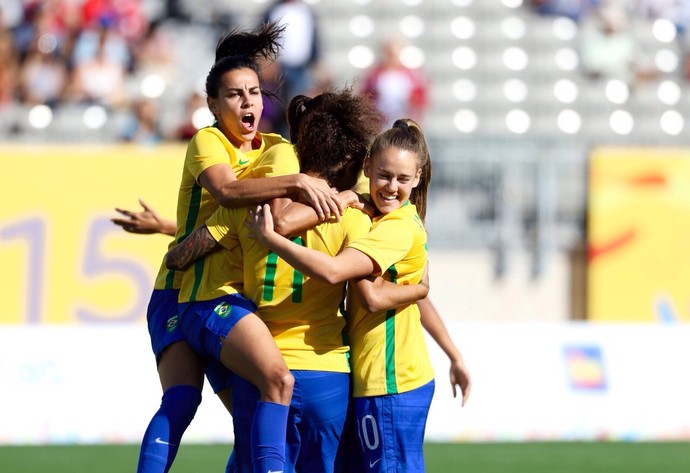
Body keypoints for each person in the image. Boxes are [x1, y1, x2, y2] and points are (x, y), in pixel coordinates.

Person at [163, 88, 428, 473]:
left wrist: (168, 232)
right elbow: (370, 281)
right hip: (328, 375)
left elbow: (182, 254)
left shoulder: (252, 210)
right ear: (355, 160)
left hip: (260, 370)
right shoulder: (359, 217)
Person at [134, 22, 343, 473]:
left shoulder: (273, 149)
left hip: (226, 295)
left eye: (253, 92)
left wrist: (169, 228)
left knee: (253, 418)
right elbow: (229, 197)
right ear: (212, 105)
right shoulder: (209, 141)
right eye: (234, 94)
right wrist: (300, 183)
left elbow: (232, 224)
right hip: (182, 291)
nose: (247, 101)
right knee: (186, 398)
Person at [247, 118, 471, 472]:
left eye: (402, 179)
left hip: (389, 379)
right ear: (367, 167)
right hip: (384, 378)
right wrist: (453, 354)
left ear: (417, 178)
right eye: (383, 175)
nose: (391, 187)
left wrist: (272, 239)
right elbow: (414, 298)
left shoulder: (394, 228)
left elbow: (359, 288)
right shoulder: (382, 216)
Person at [360, 36, 429, 128]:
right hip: (381, 124)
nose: (391, 57)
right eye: (389, 53)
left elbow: (420, 100)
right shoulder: (374, 75)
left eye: (394, 54)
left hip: (404, 123)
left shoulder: (411, 76)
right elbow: (365, 97)